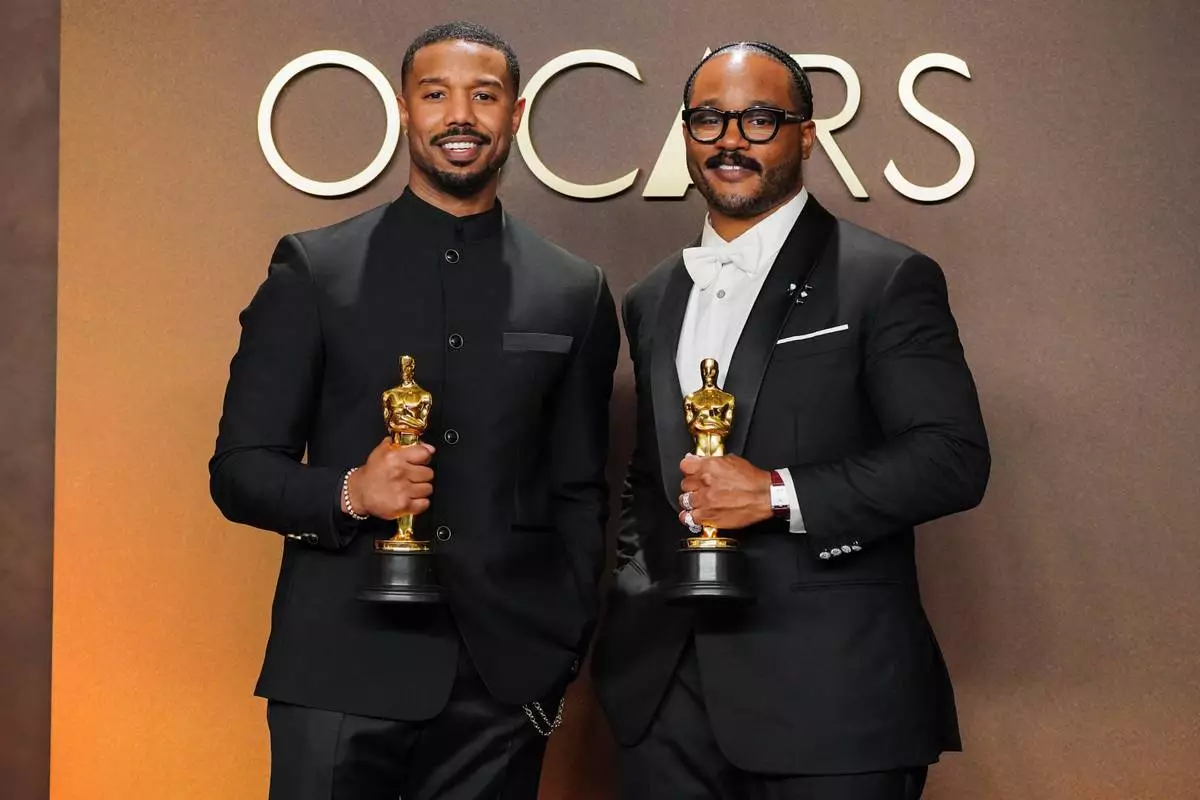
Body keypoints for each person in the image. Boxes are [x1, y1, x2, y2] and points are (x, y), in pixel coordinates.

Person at [209, 21, 618, 800]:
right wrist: (350, 492)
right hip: (339, 670)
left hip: (503, 687)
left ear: (516, 114)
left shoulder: (575, 289)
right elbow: (239, 471)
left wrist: (560, 648)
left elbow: (577, 490)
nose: (460, 115)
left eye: (484, 96)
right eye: (436, 95)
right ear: (404, 110)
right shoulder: (314, 269)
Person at [591, 41, 990, 800]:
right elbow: (649, 477)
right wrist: (633, 601)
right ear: (686, 134)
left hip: (833, 700)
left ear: (805, 136)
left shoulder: (885, 277)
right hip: (663, 703)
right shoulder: (650, 297)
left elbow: (951, 458)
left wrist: (775, 494)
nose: (730, 140)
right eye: (709, 119)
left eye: (759, 119)